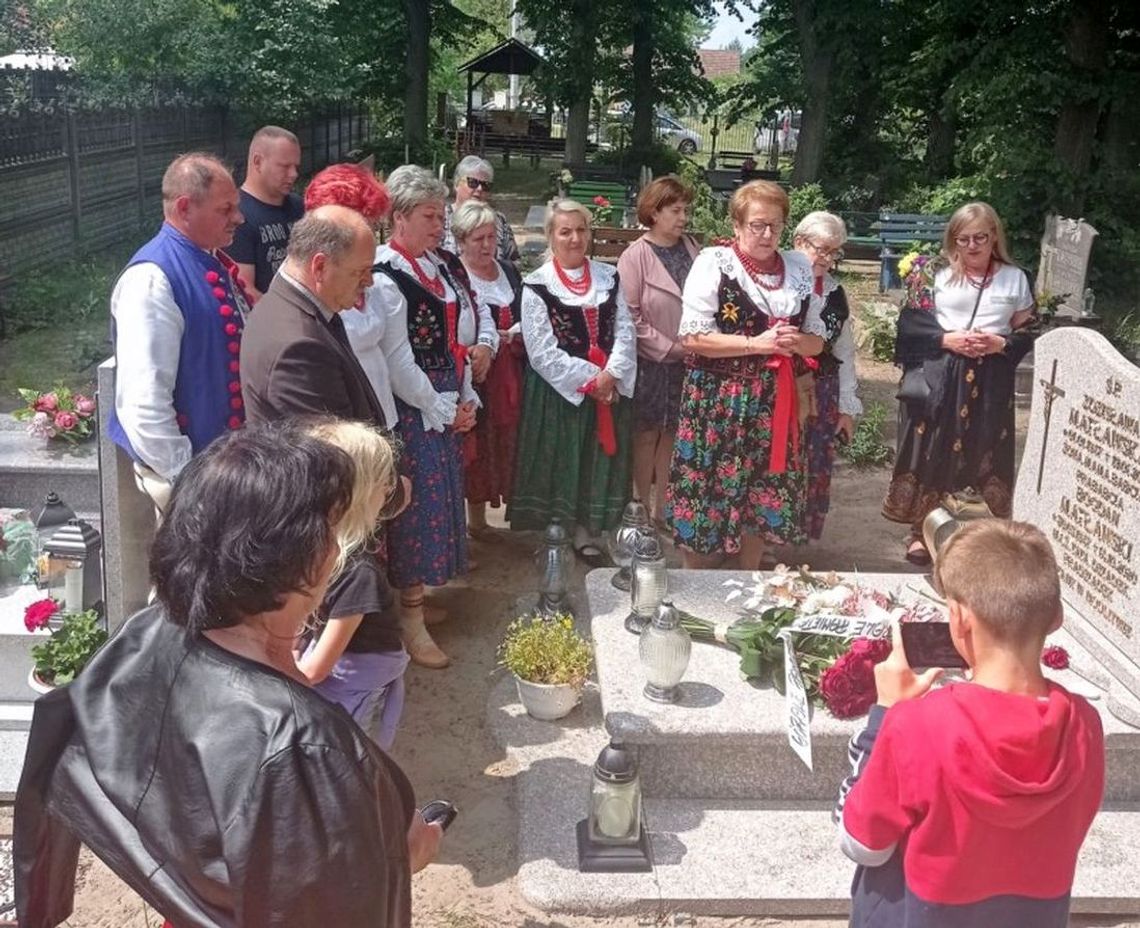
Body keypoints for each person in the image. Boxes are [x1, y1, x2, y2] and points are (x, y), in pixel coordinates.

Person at [13, 423, 442, 927]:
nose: (335, 548)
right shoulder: (303, 746)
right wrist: (400, 852)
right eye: (329, 529)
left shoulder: (147, 635)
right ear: (304, 559)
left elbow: (60, 754)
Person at [835, 519, 1104, 928]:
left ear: (959, 620)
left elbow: (862, 844)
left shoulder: (917, 726)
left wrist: (883, 717)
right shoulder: (1085, 725)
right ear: (1056, 618)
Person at [665, 180, 824, 569]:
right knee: (706, 494)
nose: (767, 234)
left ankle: (749, 577)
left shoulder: (800, 267)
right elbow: (692, 337)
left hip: (775, 401)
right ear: (737, 225)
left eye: (775, 225)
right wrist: (759, 345)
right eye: (757, 224)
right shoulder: (714, 263)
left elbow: (819, 341)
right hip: (720, 400)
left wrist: (797, 341)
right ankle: (695, 583)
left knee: (761, 493)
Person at [373, 165, 485, 669]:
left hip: (442, 399)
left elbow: (457, 339)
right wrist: (439, 406)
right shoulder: (386, 276)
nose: (440, 225)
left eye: (441, 216)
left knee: (439, 501)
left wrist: (463, 396)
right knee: (414, 509)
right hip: (412, 407)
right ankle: (409, 619)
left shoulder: (438, 267)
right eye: (429, 216)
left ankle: (415, 601)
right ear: (399, 217)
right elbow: (396, 360)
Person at [882, 201, 1036, 565]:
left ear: (994, 236)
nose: (971, 246)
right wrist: (946, 340)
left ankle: (983, 535)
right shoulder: (934, 272)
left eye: (980, 237)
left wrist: (1002, 343)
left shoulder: (1015, 277)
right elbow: (911, 324)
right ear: (953, 240)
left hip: (991, 374)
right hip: (943, 371)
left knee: (985, 445)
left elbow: (1028, 328)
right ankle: (921, 531)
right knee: (933, 446)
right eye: (963, 238)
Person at [106, 152, 249, 515]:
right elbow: (143, 401)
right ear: (185, 208)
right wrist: (188, 481)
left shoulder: (205, 258)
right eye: (226, 209)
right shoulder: (151, 280)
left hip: (224, 474)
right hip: (195, 486)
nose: (239, 218)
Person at [508, 199, 637, 562]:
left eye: (581, 230)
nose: (575, 238)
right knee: (562, 458)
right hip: (561, 394)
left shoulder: (609, 277)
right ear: (551, 235)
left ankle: (589, 531)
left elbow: (625, 328)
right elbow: (542, 352)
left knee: (597, 459)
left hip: (608, 389)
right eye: (565, 231)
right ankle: (556, 532)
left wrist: (612, 374)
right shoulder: (537, 285)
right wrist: (592, 381)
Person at [298, 419, 411, 750]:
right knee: (355, 759)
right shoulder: (360, 572)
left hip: (331, 681)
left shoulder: (310, 549)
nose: (389, 490)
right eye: (383, 482)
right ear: (359, 493)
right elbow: (315, 671)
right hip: (354, 691)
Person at [240, 205, 387, 426]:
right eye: (359, 272)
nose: (369, 281)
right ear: (319, 267)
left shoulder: (290, 306)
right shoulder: (299, 347)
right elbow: (334, 452)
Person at [616, 175, 699, 530]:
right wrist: (668, 348)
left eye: (685, 211)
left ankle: (665, 509)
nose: (683, 218)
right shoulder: (635, 256)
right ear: (654, 211)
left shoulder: (693, 248)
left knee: (674, 434)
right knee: (647, 433)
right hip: (651, 362)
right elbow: (629, 315)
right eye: (675, 210)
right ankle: (640, 507)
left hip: (691, 360)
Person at [304, 162, 400, 429]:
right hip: (345, 425)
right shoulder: (317, 283)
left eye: (370, 224)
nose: (368, 233)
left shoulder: (368, 278)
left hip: (383, 413)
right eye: (361, 222)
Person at [454, 199, 526, 536]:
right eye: (477, 239)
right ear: (461, 241)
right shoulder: (455, 276)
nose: (486, 245)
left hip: (513, 371)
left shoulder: (509, 271)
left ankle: (511, 509)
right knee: (479, 444)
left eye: (491, 238)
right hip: (478, 375)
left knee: (507, 440)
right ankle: (477, 520)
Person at [792, 211, 862, 540]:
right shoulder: (776, 281)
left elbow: (844, 351)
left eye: (833, 252)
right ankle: (760, 537)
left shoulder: (834, 293)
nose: (827, 259)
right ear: (798, 242)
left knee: (812, 460)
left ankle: (792, 534)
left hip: (822, 389)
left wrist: (847, 407)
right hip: (778, 385)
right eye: (821, 249)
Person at [227, 126, 304, 302]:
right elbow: (244, 291)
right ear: (257, 162)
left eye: (295, 166)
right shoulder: (236, 215)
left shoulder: (298, 206)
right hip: (270, 323)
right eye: (284, 166)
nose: (294, 174)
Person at [440, 155, 520, 263]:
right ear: (456, 184)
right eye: (472, 182)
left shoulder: (498, 221)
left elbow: (514, 262)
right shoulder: (440, 217)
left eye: (485, 185)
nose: (479, 189)